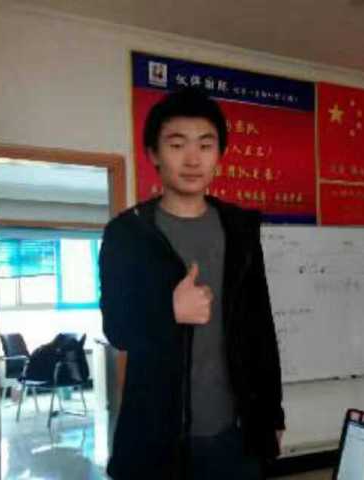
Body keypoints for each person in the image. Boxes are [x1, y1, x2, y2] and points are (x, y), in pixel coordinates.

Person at [99, 87, 285, 480]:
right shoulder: (128, 234)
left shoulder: (239, 229)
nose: (192, 159)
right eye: (177, 144)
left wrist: (272, 414)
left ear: (219, 155)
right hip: (159, 437)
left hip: (236, 433)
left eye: (205, 144)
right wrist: (170, 311)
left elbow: (260, 328)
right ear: (153, 154)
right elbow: (116, 328)